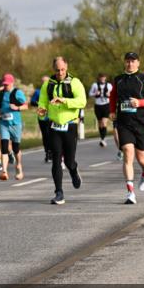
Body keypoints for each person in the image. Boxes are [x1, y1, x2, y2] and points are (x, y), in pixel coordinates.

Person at [109, 52, 144, 204]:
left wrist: (141, 103)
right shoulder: (118, 80)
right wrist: (112, 110)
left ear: (138, 63)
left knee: (141, 158)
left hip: (141, 122)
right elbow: (113, 97)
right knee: (127, 153)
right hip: (124, 123)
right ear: (125, 63)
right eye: (128, 61)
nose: (130, 64)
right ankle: (130, 192)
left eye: (133, 61)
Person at [37, 57, 86, 205]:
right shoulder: (48, 84)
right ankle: (59, 192)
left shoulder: (74, 82)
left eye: (63, 69)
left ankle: (73, 170)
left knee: (69, 160)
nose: (60, 72)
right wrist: (42, 109)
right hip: (54, 125)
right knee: (56, 158)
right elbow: (42, 101)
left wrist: (65, 100)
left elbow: (82, 101)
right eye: (57, 70)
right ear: (54, 69)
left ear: (67, 67)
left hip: (70, 125)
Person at [0, 73, 28, 180]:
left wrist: (17, 108)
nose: (6, 86)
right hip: (4, 124)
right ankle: (4, 171)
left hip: (15, 124)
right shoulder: (1, 94)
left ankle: (19, 166)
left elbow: (26, 106)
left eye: (7, 84)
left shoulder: (17, 92)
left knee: (16, 148)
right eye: (4, 84)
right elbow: (1, 107)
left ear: (12, 83)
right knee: (4, 147)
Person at [88, 73, 112, 147]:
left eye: (103, 78)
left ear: (105, 78)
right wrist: (95, 93)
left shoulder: (109, 85)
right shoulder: (95, 85)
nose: (102, 79)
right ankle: (102, 138)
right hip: (98, 106)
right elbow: (90, 94)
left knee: (104, 123)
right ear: (99, 78)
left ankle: (103, 139)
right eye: (101, 78)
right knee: (100, 123)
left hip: (106, 105)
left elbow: (113, 94)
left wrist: (109, 94)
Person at [33, 76, 52, 163]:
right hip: (42, 117)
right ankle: (47, 153)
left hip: (52, 117)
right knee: (45, 135)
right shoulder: (37, 91)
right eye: (43, 81)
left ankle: (52, 152)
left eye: (46, 81)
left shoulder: (53, 90)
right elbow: (32, 102)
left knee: (52, 135)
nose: (44, 83)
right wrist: (37, 103)